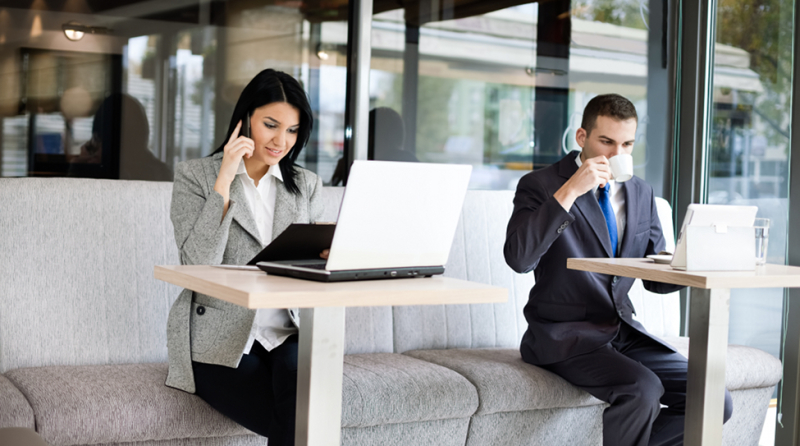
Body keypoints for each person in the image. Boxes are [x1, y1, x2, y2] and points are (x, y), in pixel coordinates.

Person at [503, 94, 733, 446]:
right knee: (643, 389)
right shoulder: (543, 186)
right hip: (564, 336)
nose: (616, 155)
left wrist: (695, 260)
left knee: (714, 398)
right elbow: (520, 259)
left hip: (623, 332)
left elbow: (654, 277)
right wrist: (571, 190)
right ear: (582, 137)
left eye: (626, 144)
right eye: (606, 142)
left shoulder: (640, 192)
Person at [165, 69, 324, 446]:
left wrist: (325, 256)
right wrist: (225, 178)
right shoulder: (195, 176)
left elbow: (310, 268)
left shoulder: (305, 185)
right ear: (245, 117)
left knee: (301, 394)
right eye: (271, 125)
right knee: (301, 419)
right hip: (219, 337)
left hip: (287, 331)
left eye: (292, 130)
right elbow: (196, 264)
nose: (280, 140)